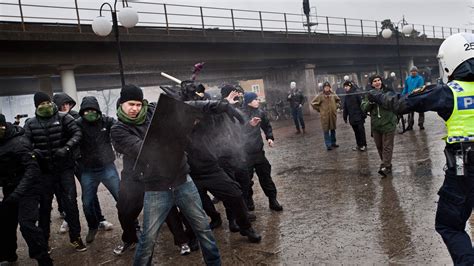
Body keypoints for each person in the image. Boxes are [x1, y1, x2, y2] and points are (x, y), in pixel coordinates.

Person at [367, 32, 474, 265]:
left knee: (449, 224)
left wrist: (376, 95)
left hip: (463, 166)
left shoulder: (448, 92)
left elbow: (400, 103)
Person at [110, 84, 222, 265]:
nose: (135, 109)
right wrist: (175, 126)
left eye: (138, 105)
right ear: (121, 104)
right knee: (148, 239)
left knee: (203, 228)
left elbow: (190, 111)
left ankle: (215, 263)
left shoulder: (154, 110)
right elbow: (146, 151)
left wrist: (205, 104)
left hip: (182, 180)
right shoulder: (119, 130)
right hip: (155, 187)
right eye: (130, 104)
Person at [23, 92, 86, 251]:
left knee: (70, 203)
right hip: (44, 172)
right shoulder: (30, 123)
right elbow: (25, 144)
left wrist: (66, 148)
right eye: (41, 104)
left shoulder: (64, 117)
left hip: (64, 168)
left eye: (46, 102)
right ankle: (44, 240)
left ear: (51, 102)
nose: (45, 106)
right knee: (44, 207)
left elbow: (78, 133)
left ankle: (76, 237)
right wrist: (34, 152)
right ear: (36, 106)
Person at [52, 93, 113, 234]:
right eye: (61, 105)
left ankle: (100, 219)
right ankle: (67, 218)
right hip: (62, 162)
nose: (64, 107)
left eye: (67, 104)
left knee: (89, 192)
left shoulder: (76, 118)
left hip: (80, 161)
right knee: (65, 193)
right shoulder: (52, 120)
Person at [0, 114, 53, 266]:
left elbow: (32, 170)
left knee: (27, 224)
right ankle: (8, 255)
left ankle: (44, 259)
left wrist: (18, 192)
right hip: (11, 188)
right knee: (5, 222)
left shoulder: (20, 142)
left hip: (29, 188)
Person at [75, 96, 120, 244]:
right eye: (86, 111)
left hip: (107, 167)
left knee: (121, 198)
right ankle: (93, 226)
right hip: (88, 170)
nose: (90, 113)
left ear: (98, 110)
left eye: (92, 110)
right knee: (87, 203)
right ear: (82, 112)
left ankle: (133, 226)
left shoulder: (107, 121)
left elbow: (119, 128)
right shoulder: (77, 125)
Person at [241, 92, 283, 212]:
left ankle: (272, 200)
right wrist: (249, 124)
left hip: (258, 152)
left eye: (258, 99)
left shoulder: (260, 112)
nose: (258, 101)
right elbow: (236, 130)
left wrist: (269, 137)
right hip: (244, 154)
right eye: (255, 99)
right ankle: (249, 202)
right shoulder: (241, 113)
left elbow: (267, 126)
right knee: (246, 180)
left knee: (266, 177)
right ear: (249, 101)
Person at [361, 75, 397, 177]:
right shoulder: (369, 94)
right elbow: (364, 107)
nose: (377, 82)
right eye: (375, 81)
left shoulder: (388, 91)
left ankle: (384, 166)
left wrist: (379, 99)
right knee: (379, 147)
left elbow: (392, 103)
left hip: (389, 123)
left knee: (387, 147)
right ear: (371, 84)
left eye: (379, 80)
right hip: (376, 125)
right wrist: (371, 102)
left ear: (381, 81)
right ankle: (387, 166)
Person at [311, 82, 341, 150]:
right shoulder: (320, 95)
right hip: (325, 116)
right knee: (326, 130)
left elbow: (338, 100)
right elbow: (313, 103)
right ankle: (328, 144)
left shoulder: (333, 94)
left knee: (333, 130)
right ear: (323, 88)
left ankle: (333, 142)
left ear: (329, 87)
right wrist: (320, 109)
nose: (327, 88)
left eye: (328, 87)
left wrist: (336, 106)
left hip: (332, 115)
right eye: (325, 87)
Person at [342, 81, 367, 151]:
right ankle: (359, 144)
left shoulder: (356, 93)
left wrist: (363, 114)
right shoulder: (346, 96)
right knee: (356, 132)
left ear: (350, 86)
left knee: (361, 131)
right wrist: (345, 116)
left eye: (346, 86)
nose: (345, 88)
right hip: (352, 118)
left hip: (359, 117)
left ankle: (363, 144)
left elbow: (362, 104)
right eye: (344, 87)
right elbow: (345, 107)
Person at [402, 66, 425, 130]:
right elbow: (406, 88)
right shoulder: (407, 79)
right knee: (410, 112)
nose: (413, 72)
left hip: (418, 97)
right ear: (410, 72)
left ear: (417, 72)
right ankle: (410, 125)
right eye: (412, 71)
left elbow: (420, 88)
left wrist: (414, 93)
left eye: (415, 71)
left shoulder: (420, 78)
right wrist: (402, 95)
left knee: (421, 111)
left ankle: (421, 124)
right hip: (410, 98)